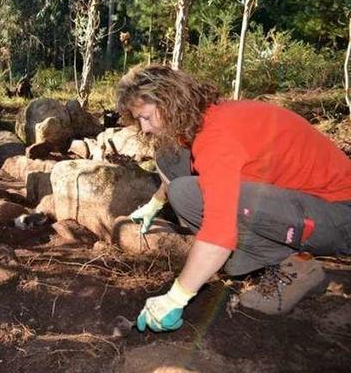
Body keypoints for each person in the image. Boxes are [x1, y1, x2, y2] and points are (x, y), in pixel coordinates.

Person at [117, 65, 351, 332]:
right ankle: (257, 256)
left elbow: (219, 231)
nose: (143, 129)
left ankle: (296, 268)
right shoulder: (204, 118)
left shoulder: (217, 137)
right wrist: (156, 203)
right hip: (301, 201)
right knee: (171, 158)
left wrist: (176, 297)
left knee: (189, 194)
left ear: (169, 103)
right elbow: (176, 167)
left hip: (339, 216)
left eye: (146, 117)